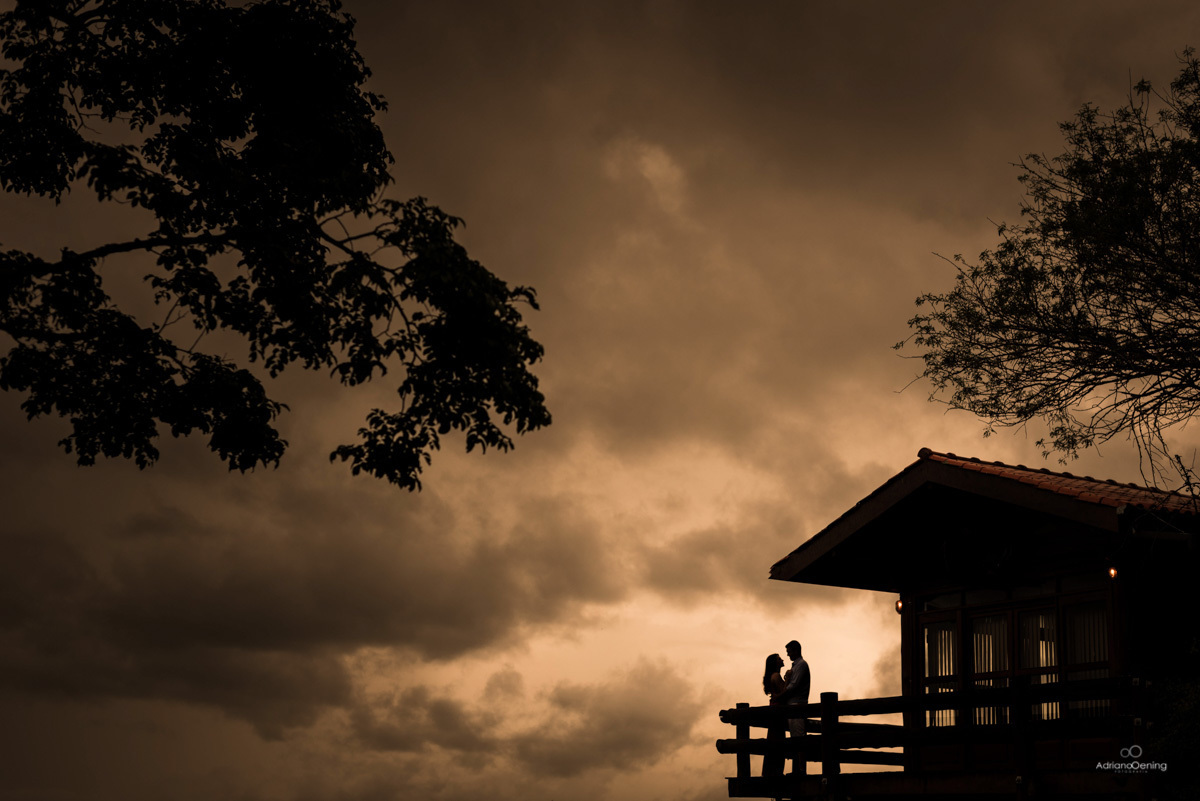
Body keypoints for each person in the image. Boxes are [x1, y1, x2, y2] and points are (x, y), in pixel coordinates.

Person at [777, 640, 810, 774]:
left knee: (798, 739)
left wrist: (779, 696)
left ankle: (800, 770)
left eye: (789, 652)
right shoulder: (798, 665)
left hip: (797, 706)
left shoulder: (801, 665)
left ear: (796, 651)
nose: (788, 654)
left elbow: (793, 686)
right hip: (794, 706)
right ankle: (798, 770)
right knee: (796, 738)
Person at [761, 653, 787, 777]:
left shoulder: (772, 676)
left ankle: (771, 770)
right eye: (779, 659)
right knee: (778, 739)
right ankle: (776, 770)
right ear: (775, 663)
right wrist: (789, 679)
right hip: (778, 711)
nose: (782, 659)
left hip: (774, 709)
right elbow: (784, 692)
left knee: (773, 738)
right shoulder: (776, 676)